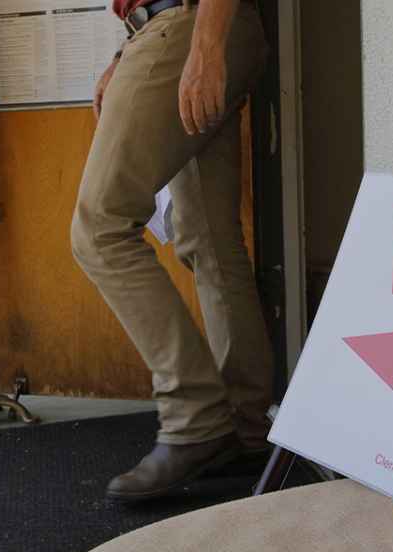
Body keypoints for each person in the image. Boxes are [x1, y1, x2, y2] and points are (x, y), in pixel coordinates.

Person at [72, 0, 273, 501]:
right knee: (210, 240)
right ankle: (243, 428)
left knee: (100, 227)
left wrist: (204, 45)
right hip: (201, 27)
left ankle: (195, 417)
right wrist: (127, 51)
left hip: (194, 24)